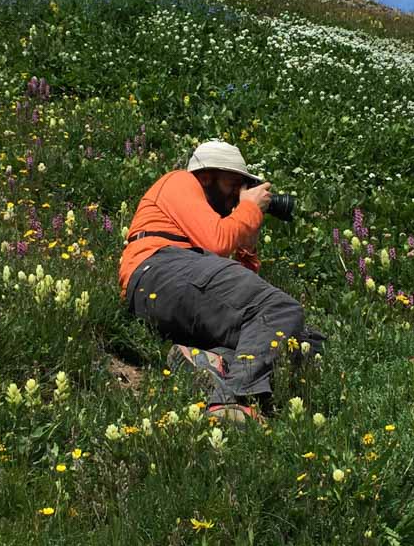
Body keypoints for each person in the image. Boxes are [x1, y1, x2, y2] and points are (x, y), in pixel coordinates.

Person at [120, 139, 323, 422]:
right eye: (232, 187)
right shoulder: (180, 181)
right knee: (282, 309)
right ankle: (234, 399)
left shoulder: (204, 218)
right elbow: (216, 241)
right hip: (158, 267)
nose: (235, 198)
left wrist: (247, 238)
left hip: (174, 283)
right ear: (206, 176)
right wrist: (248, 210)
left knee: (301, 339)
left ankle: (210, 361)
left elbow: (240, 302)